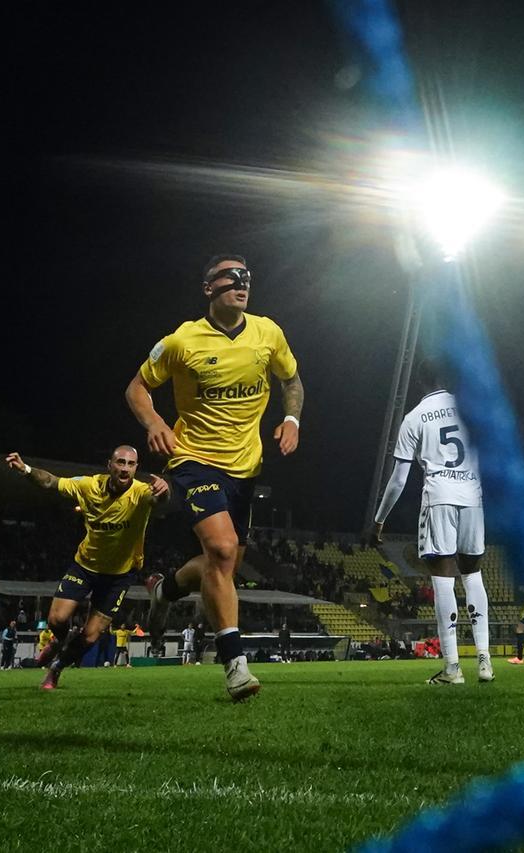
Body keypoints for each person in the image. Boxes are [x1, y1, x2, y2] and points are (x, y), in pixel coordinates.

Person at [128, 254, 303, 701]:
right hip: (193, 460)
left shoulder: (269, 333)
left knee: (221, 564)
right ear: (209, 288)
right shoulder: (182, 340)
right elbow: (137, 388)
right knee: (222, 550)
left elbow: (293, 381)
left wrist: (292, 420)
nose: (242, 284)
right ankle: (234, 664)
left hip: (245, 468)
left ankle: (165, 590)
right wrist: (154, 423)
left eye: (247, 277)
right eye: (231, 278)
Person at [370, 360, 492, 685]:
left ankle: (452, 668)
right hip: (473, 497)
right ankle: (485, 661)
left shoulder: (414, 418)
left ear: (420, 383)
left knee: (443, 581)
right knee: (473, 575)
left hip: (440, 497)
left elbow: (397, 480)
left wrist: (379, 521)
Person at [5, 446, 168, 690]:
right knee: (57, 620)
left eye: (131, 464)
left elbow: (159, 499)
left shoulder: (141, 493)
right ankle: (60, 640)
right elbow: (51, 482)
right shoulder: (88, 486)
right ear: (109, 465)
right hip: (85, 567)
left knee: (91, 635)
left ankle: (56, 669)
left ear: (136, 468)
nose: (125, 468)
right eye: (120, 462)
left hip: (119, 576)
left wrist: (165, 491)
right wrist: (25, 469)